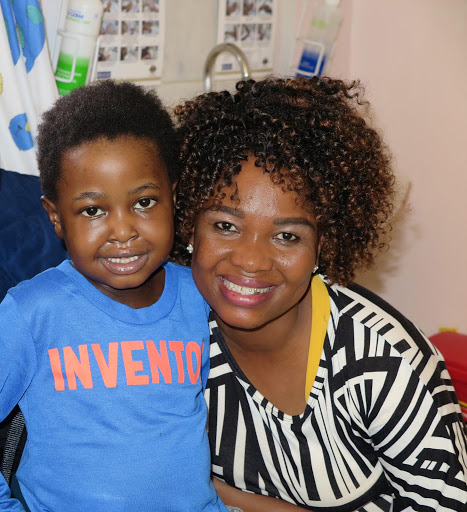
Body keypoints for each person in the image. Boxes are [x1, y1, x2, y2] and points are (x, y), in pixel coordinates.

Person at [172, 77, 467, 511]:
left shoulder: (382, 362)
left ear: (321, 247)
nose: (251, 261)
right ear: (188, 224)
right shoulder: (167, 331)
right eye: (226, 226)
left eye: (287, 236)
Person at [0, 80, 227, 512]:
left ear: (173, 200)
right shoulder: (32, 312)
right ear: (56, 219)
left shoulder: (200, 294)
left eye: (144, 202)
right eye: (93, 211)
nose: (123, 231)